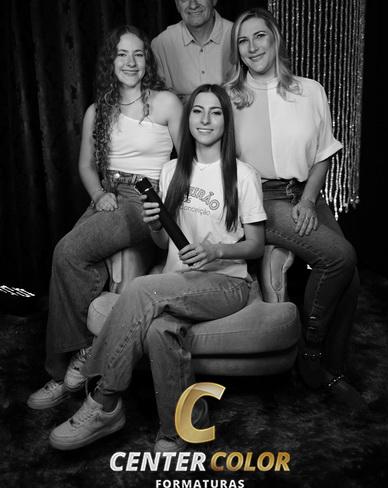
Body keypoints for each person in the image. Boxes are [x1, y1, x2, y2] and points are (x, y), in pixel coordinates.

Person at [47, 84, 266, 452]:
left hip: (227, 284)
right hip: (179, 282)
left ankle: (104, 399)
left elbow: (256, 245)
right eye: (197, 111)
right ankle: (182, 426)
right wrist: (153, 224)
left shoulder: (242, 175)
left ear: (226, 122)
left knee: (140, 288)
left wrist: (216, 250)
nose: (205, 119)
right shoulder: (170, 171)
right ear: (188, 119)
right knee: (159, 330)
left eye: (215, 112)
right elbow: (165, 244)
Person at [27, 25, 183, 410]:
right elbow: (86, 165)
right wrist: (99, 195)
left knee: (67, 252)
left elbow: (187, 164)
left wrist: (167, 208)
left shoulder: (166, 103)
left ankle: (76, 359)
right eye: (121, 54)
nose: (130, 62)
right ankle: (71, 363)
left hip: (145, 196)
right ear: (110, 62)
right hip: (110, 195)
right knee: (71, 255)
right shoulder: (98, 110)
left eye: (138, 54)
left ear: (147, 60)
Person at [224, 7, 362, 407]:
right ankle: (311, 352)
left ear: (276, 38)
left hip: (303, 193)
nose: (252, 47)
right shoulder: (228, 97)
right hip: (261, 199)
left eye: (259, 36)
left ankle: (334, 370)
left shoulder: (310, 90)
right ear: (237, 50)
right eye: (243, 41)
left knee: (350, 277)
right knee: (339, 256)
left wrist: (307, 201)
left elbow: (323, 153)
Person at [151, 0, 234, 99]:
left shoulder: (237, 36)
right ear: (177, 4)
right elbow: (158, 103)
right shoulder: (161, 45)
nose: (193, 5)